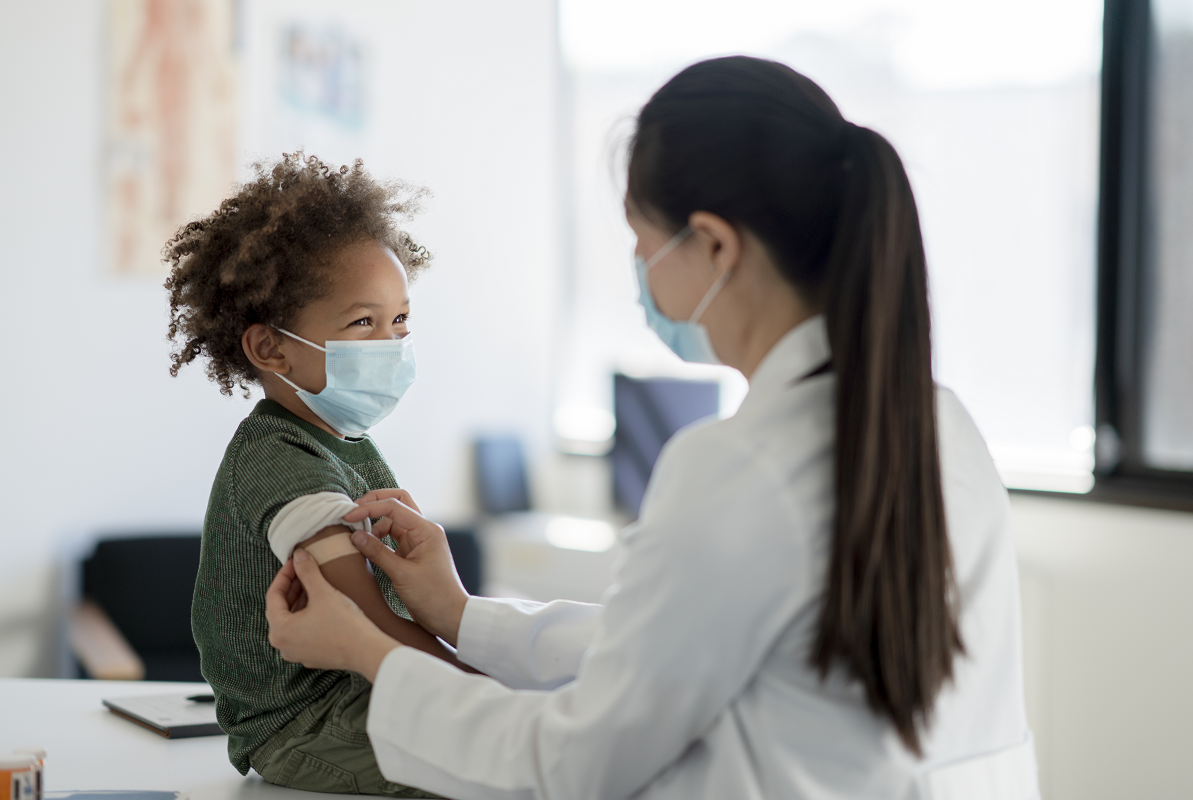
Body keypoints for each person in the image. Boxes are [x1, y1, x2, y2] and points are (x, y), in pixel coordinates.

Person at [265, 57, 1038, 800]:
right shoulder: (942, 424)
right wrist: (461, 615)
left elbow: (574, 762)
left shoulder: (739, 468)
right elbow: (672, 647)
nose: (642, 279)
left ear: (715, 245)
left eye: (642, 246)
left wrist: (366, 654)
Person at [167, 152, 463, 798]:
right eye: (364, 323)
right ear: (270, 348)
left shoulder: (342, 440)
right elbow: (367, 622)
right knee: (508, 764)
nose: (391, 345)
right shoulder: (281, 460)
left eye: (400, 320)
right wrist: (482, 695)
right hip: (305, 725)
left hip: (364, 691)